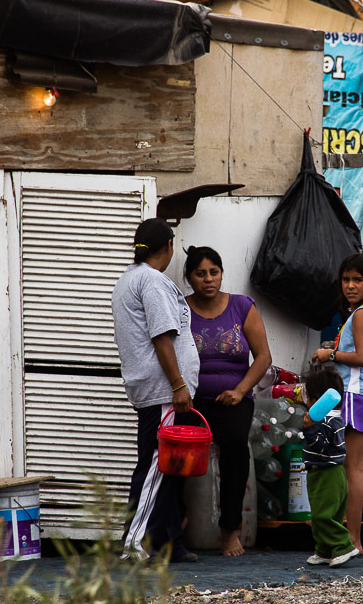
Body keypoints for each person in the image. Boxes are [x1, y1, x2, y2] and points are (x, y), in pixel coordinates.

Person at [112, 218, 200, 562]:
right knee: (154, 467)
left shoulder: (129, 279)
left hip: (157, 389)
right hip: (163, 391)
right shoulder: (152, 281)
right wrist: (178, 384)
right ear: (168, 246)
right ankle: (133, 544)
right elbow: (162, 335)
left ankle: (167, 542)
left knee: (167, 469)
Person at [184, 246, 272, 557]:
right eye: (200, 273)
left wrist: (239, 391)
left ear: (221, 273)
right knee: (176, 453)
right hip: (192, 401)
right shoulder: (182, 310)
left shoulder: (241, 307)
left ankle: (229, 530)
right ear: (189, 278)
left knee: (235, 447)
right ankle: (177, 527)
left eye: (214, 272)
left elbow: (263, 358)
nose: (208, 279)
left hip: (234, 399)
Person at [311, 252, 363, 556]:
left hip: (357, 397)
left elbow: (362, 358)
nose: (350, 285)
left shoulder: (360, 315)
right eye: (346, 279)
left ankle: (353, 540)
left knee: (353, 469)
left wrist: (328, 355)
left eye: (358, 280)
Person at [301, 367, 359, 568]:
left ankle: (343, 546)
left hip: (326, 472)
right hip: (332, 472)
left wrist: (309, 429)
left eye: (308, 397)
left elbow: (321, 446)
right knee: (327, 513)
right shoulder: (336, 416)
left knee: (322, 515)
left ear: (317, 399)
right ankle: (325, 550)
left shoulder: (325, 420)